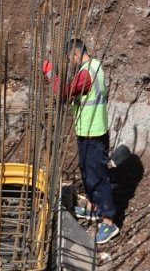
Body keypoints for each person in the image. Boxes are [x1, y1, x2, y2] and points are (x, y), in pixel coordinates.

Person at [44, 39, 119, 244]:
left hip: (93, 133)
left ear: (76, 55)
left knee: (98, 176)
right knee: (87, 170)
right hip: (88, 131)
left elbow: (64, 93)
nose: (71, 63)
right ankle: (94, 206)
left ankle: (109, 221)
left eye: (71, 59)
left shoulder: (87, 73)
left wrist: (50, 72)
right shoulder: (93, 67)